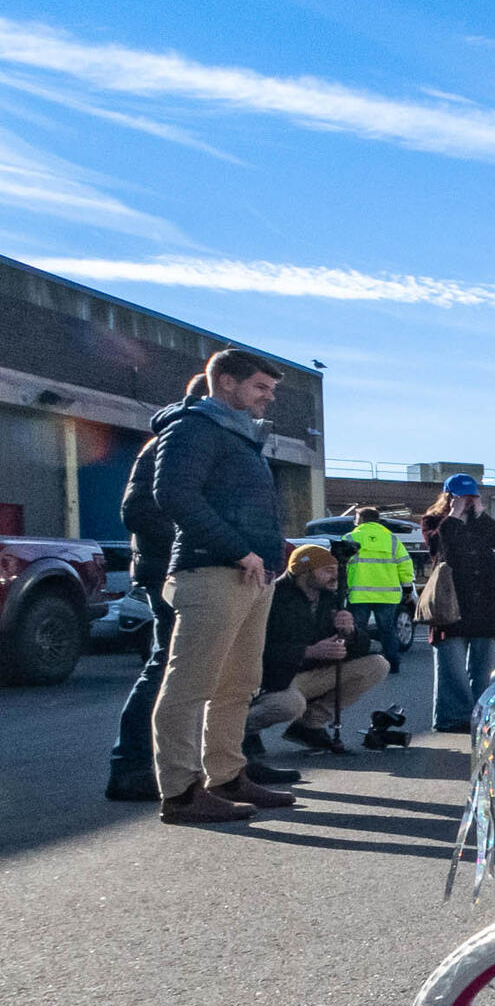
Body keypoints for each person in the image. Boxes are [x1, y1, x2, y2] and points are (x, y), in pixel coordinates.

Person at [107, 380, 301, 802]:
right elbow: (142, 508)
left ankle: (230, 766)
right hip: (185, 570)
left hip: (231, 567)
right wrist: (212, 542)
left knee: (233, 677)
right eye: (256, 389)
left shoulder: (232, 440)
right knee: (173, 672)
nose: (263, 399)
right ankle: (136, 766)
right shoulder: (181, 435)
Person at [150, 348, 294, 824]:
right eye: (260, 388)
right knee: (190, 684)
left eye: (271, 390)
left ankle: (227, 776)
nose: (268, 398)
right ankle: (181, 793)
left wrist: (272, 553)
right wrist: (240, 549)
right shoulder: (193, 428)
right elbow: (172, 495)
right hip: (212, 572)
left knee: (238, 684)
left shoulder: (240, 436)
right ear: (226, 384)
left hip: (254, 576)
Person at [246, 544, 392, 750]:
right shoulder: (273, 598)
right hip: (274, 679)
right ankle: (243, 731)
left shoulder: (330, 597)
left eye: (336, 570)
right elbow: (257, 649)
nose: (335, 577)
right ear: (304, 571)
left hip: (313, 673)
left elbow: (362, 647)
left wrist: (351, 633)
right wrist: (309, 651)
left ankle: (309, 725)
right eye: (327, 570)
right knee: (289, 704)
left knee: (377, 665)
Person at [424, 475, 495, 732]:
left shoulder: (480, 523)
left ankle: (479, 714)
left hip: (484, 604)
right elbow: (439, 547)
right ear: (449, 496)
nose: (467, 501)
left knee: (481, 666)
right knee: (451, 667)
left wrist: (482, 515)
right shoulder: (435, 522)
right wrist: (453, 516)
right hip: (451, 603)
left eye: (472, 496)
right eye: (462, 496)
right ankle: (453, 718)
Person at [344, 506, 413, 670]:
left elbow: (341, 565)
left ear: (360, 519)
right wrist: (407, 588)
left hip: (359, 595)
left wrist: (341, 587)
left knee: (357, 631)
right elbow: (405, 564)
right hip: (387, 596)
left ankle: (356, 665)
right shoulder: (392, 539)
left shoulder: (350, 537)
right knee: (387, 630)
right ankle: (392, 663)